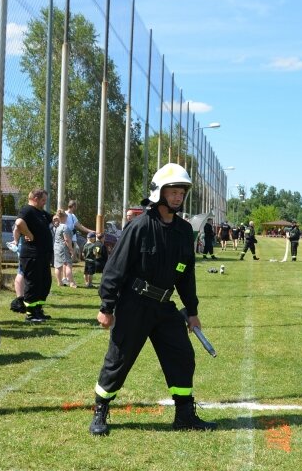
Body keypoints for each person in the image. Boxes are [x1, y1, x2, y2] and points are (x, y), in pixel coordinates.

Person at [89, 162, 216, 435]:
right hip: (134, 304)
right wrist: (106, 306)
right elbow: (115, 268)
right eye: (173, 191)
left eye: (182, 191)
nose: (178, 196)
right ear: (159, 192)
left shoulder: (183, 231)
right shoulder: (139, 227)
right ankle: (100, 411)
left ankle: (184, 415)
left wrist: (191, 311)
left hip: (165, 307)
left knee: (183, 356)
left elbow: (186, 275)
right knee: (119, 359)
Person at [14, 189, 54, 323]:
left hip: (42, 255)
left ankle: (38, 310)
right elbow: (19, 223)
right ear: (35, 198)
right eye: (43, 200)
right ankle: (30, 314)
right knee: (33, 284)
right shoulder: (27, 210)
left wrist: (56, 218)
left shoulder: (40, 212)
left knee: (45, 283)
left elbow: (51, 217)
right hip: (32, 254)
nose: (44, 203)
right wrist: (29, 234)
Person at [53, 210, 77, 288]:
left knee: (57, 266)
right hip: (63, 248)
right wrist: (71, 249)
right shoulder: (64, 226)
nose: (67, 218)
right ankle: (71, 283)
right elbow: (67, 239)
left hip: (56, 247)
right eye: (66, 217)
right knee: (68, 265)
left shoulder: (55, 227)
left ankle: (59, 282)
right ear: (63, 217)